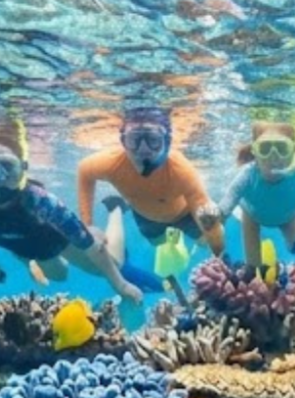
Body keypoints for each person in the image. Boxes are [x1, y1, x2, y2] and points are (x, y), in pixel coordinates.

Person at [0, 120, 143, 303]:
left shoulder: (41, 201)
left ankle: (115, 209)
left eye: (8, 166)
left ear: (22, 169)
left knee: (113, 266)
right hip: (25, 247)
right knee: (59, 277)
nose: (0, 176)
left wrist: (120, 284)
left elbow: (87, 244)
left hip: (56, 241)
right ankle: (29, 255)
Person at [76, 106, 225, 276]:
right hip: (146, 216)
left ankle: (202, 228)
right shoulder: (110, 163)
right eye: (134, 140)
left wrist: (218, 254)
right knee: (157, 243)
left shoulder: (181, 170)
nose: (143, 150)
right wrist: (88, 226)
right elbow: (84, 171)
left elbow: (200, 203)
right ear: (123, 141)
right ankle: (175, 238)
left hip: (184, 214)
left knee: (204, 239)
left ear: (167, 142)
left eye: (153, 140)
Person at [215, 113, 295, 267]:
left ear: (294, 151)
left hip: (288, 216)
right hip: (252, 216)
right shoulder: (248, 174)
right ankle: (253, 268)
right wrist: (220, 214)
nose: (273, 157)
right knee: (252, 264)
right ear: (254, 150)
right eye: (265, 148)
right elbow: (230, 198)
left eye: (282, 148)